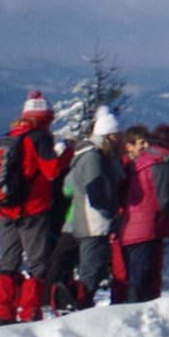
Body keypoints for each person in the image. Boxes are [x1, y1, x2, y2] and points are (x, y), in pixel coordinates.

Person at [0, 90, 64, 325]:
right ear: (46, 117)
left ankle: (3, 313)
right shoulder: (40, 138)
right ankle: (30, 313)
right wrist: (68, 153)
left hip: (5, 207)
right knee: (36, 262)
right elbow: (52, 171)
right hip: (33, 208)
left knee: (8, 261)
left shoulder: (8, 136)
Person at [61, 108, 129, 308]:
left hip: (91, 220)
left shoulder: (92, 153)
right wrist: (109, 210)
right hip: (94, 222)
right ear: (108, 135)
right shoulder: (93, 157)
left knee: (93, 266)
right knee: (91, 267)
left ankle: (80, 301)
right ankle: (80, 303)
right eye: (117, 135)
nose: (120, 140)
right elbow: (95, 189)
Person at [114, 124, 169, 303]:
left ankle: (132, 307)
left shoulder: (141, 163)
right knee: (143, 277)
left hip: (131, 226)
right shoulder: (160, 163)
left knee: (136, 274)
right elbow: (164, 202)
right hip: (147, 226)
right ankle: (137, 310)